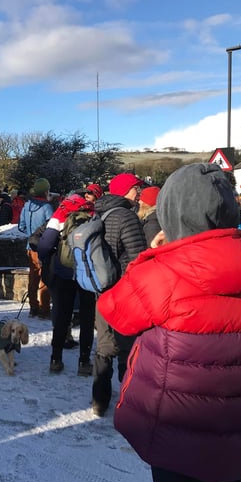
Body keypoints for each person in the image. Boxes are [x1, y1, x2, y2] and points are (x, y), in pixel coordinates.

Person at [98, 163, 241, 482]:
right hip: (240, 434)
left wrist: (151, 255)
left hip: (175, 434)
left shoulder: (164, 271)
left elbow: (115, 311)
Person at [91, 172, 147, 417]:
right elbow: (138, 259)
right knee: (128, 349)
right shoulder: (127, 216)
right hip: (124, 293)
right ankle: (129, 402)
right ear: (125, 190)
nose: (139, 193)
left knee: (104, 346)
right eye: (136, 189)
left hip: (100, 292)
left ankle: (99, 401)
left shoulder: (97, 214)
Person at [38, 193, 96, 375]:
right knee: (87, 318)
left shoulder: (60, 215)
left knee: (62, 316)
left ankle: (56, 359)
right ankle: (84, 362)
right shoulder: (93, 214)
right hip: (87, 274)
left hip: (64, 273)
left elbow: (45, 246)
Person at [18, 178, 53, 318]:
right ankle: (45, 310)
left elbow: (21, 226)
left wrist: (30, 234)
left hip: (30, 246)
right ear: (45, 191)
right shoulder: (47, 207)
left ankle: (33, 307)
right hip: (43, 247)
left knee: (33, 278)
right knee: (45, 279)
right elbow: (51, 228)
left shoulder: (26, 206)